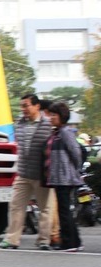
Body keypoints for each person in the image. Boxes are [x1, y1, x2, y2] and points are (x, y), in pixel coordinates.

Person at [0, 94, 53, 250]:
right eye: (22, 106)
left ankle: (44, 240)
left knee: (45, 208)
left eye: (26, 105)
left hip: (41, 174)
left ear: (37, 106)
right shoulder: (19, 123)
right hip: (23, 173)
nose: (23, 109)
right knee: (15, 205)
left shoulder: (48, 124)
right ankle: (12, 239)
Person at [45, 102, 83, 252]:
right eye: (51, 114)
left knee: (64, 211)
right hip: (60, 178)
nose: (51, 118)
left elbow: (76, 153)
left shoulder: (65, 133)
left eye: (54, 115)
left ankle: (68, 243)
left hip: (65, 178)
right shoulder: (58, 133)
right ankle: (76, 241)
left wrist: (75, 170)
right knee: (65, 210)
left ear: (61, 117)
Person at [40, 99, 60, 248]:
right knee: (53, 205)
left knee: (51, 205)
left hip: (53, 173)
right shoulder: (52, 129)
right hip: (51, 173)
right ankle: (54, 235)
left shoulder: (51, 129)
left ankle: (54, 235)